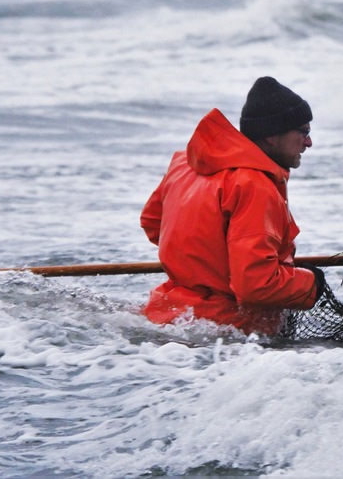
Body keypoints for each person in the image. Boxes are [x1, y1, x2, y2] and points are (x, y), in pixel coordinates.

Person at [139, 76, 325, 335]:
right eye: (303, 132)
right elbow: (256, 285)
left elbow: (152, 224)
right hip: (224, 334)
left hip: (166, 315)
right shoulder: (255, 186)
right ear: (271, 136)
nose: (309, 142)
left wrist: (206, 264)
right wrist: (311, 284)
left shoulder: (185, 165)